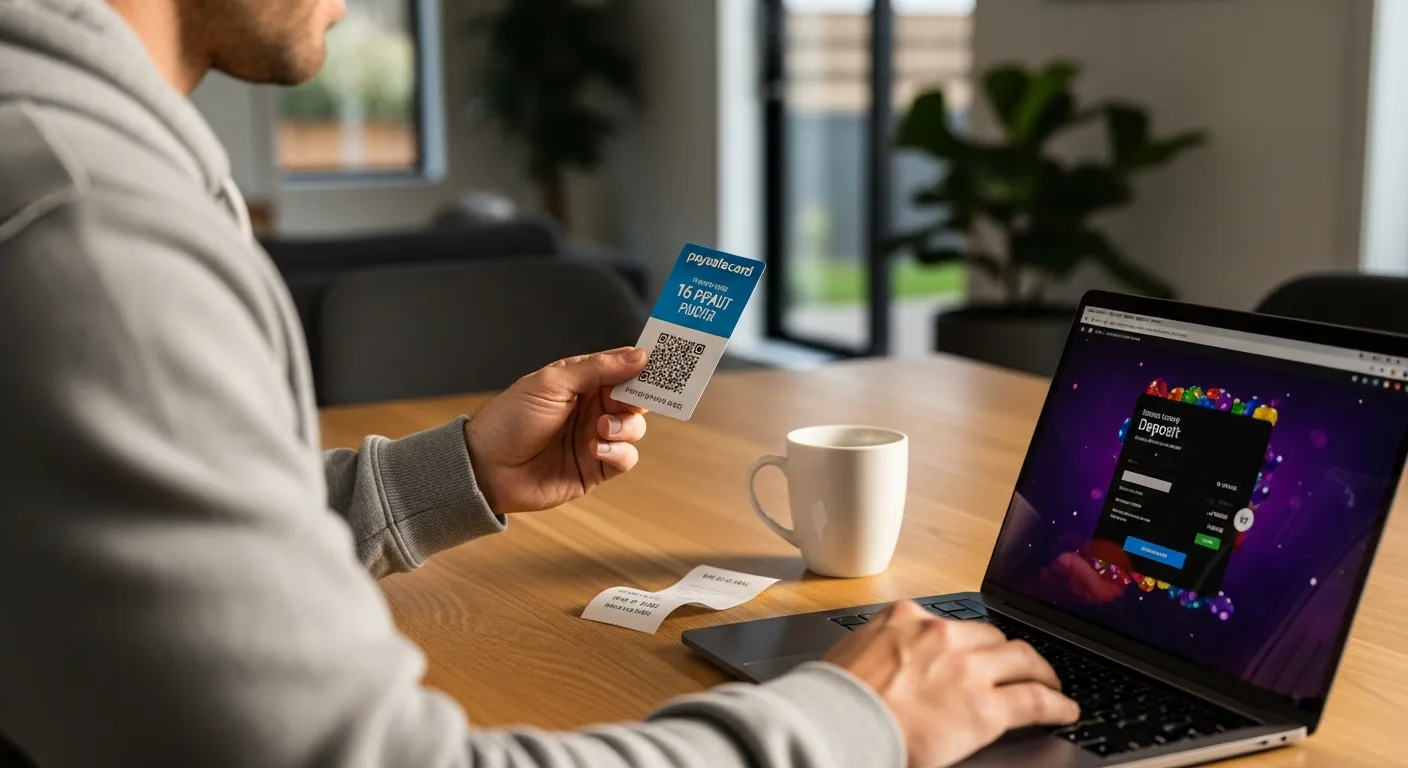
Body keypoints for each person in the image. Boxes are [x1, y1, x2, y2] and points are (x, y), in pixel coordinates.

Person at [0, 0, 1078, 765]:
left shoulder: (70, 158)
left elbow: (145, 542)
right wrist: (855, 720)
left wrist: (454, 473)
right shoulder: (96, 228)